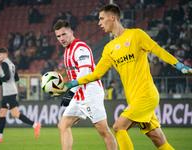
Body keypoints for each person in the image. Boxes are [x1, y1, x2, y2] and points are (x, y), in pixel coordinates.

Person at [54, 4, 192, 150]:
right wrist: (72, 84)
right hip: (133, 98)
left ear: (112, 18)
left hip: (146, 94)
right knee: (157, 138)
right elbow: (96, 74)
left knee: (119, 127)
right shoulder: (109, 48)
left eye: (101, 19)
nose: (99, 23)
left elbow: (158, 50)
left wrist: (179, 65)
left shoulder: (136, 35)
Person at [53, 20, 117, 150]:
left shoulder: (80, 48)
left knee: (102, 130)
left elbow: (84, 73)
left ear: (71, 32)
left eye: (64, 34)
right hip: (79, 93)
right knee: (63, 125)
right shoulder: (67, 51)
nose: (61, 38)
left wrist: (70, 92)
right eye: (58, 36)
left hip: (90, 92)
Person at [0, 47, 41, 143]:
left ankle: (35, 125)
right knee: (2, 112)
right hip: (9, 91)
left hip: (9, 93)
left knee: (15, 114)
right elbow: (16, 78)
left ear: (4, 54)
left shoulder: (4, 64)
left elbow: (7, 76)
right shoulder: (12, 64)